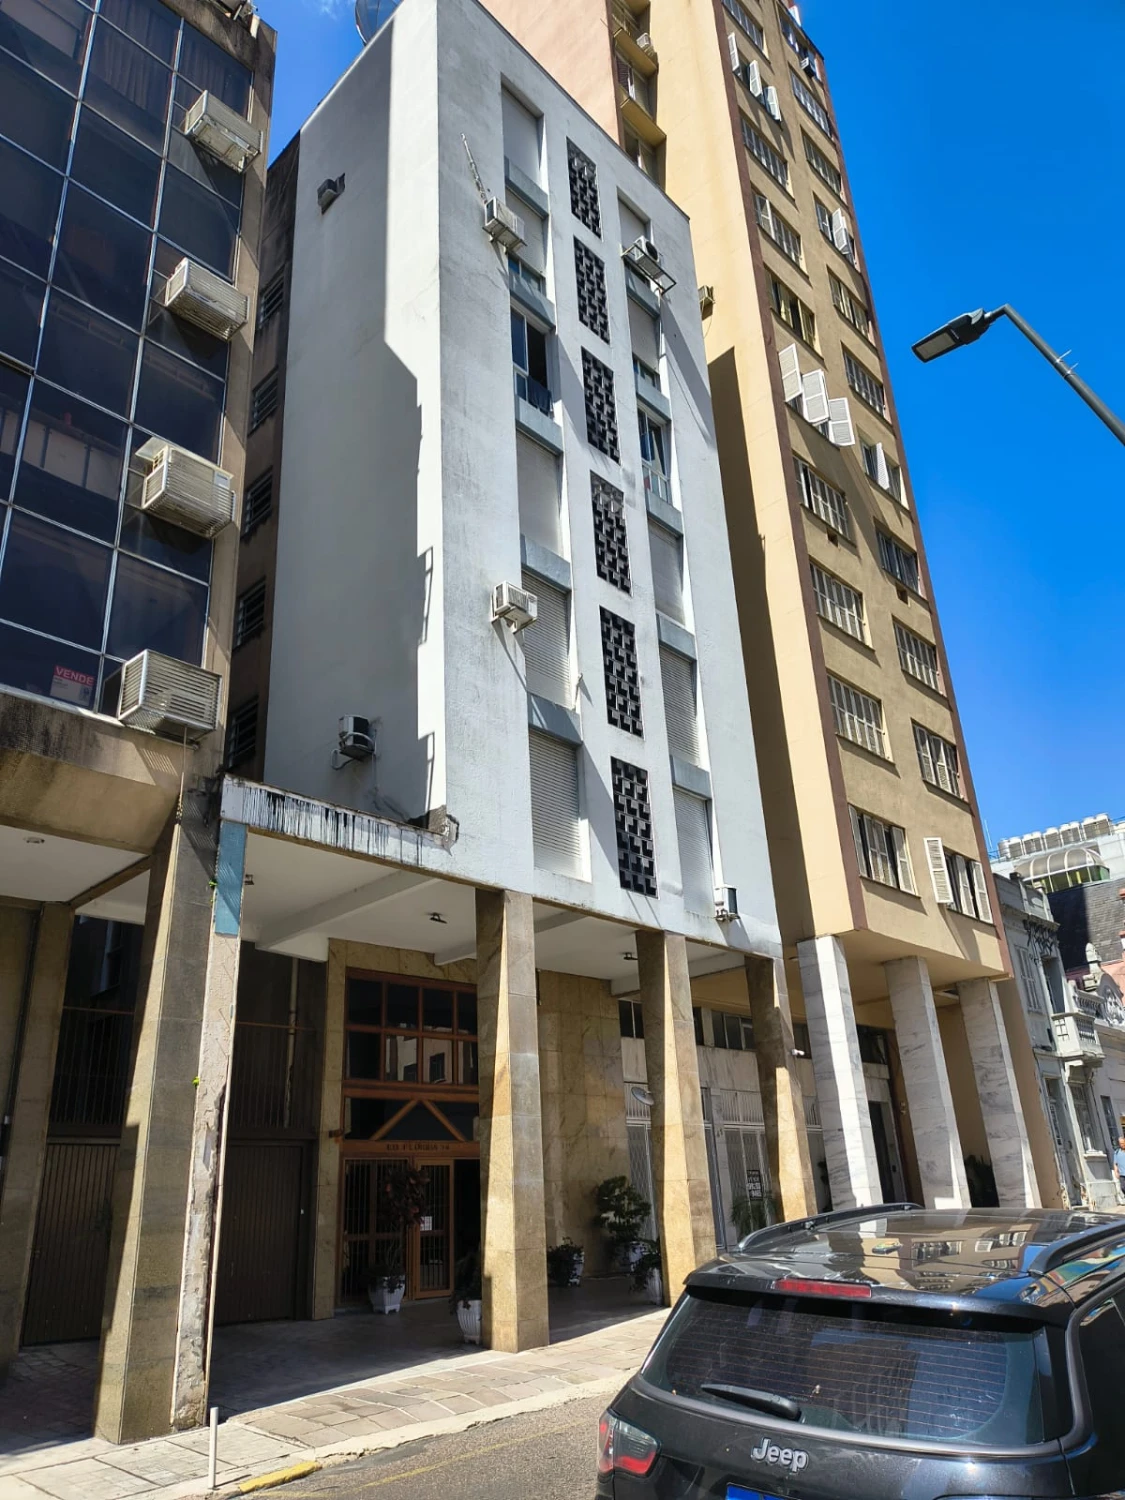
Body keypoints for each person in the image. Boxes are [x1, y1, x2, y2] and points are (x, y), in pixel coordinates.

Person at [1114, 1136, 1125, 1205]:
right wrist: (1116, 1171)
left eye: (1123, 1143)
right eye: (1121, 1143)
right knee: (1123, 1187)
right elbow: (1115, 1164)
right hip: (1122, 1174)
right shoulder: (1117, 1152)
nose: (1122, 1145)